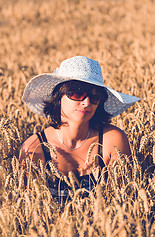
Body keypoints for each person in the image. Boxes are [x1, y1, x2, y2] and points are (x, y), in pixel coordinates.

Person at [19, 56, 140, 199]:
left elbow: (122, 201)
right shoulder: (34, 149)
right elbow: (32, 209)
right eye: (76, 93)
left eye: (95, 96)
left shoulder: (112, 141)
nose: (87, 102)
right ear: (58, 96)